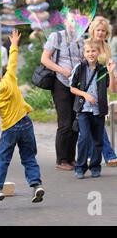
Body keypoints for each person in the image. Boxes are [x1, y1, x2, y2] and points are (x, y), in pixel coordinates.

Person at [0, 30, 44, 209]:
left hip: (10, 129)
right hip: (26, 123)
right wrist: (14, 44)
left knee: (3, 159)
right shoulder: (10, 79)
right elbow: (13, 61)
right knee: (29, 156)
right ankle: (36, 185)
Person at [41, 12, 84, 171]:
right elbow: (44, 59)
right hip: (61, 83)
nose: (74, 24)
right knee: (65, 123)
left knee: (75, 122)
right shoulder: (56, 37)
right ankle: (61, 160)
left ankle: (71, 158)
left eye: (78, 21)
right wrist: (63, 70)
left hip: (76, 85)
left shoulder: (80, 40)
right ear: (66, 21)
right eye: (72, 20)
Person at [70, 39, 110, 179]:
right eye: (88, 51)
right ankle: (80, 167)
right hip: (83, 109)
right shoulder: (79, 68)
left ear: (98, 52)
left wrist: (112, 73)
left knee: (97, 140)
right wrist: (85, 95)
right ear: (84, 53)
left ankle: (95, 166)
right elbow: (72, 88)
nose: (91, 53)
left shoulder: (103, 69)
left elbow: (111, 88)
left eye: (93, 51)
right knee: (84, 138)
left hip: (99, 110)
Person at [88, 16, 117, 166]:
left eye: (103, 31)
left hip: (101, 87)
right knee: (95, 121)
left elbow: (109, 65)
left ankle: (89, 153)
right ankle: (110, 155)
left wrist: (112, 75)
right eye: (98, 30)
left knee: (96, 121)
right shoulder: (87, 44)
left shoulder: (107, 47)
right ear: (93, 30)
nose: (100, 33)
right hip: (88, 87)